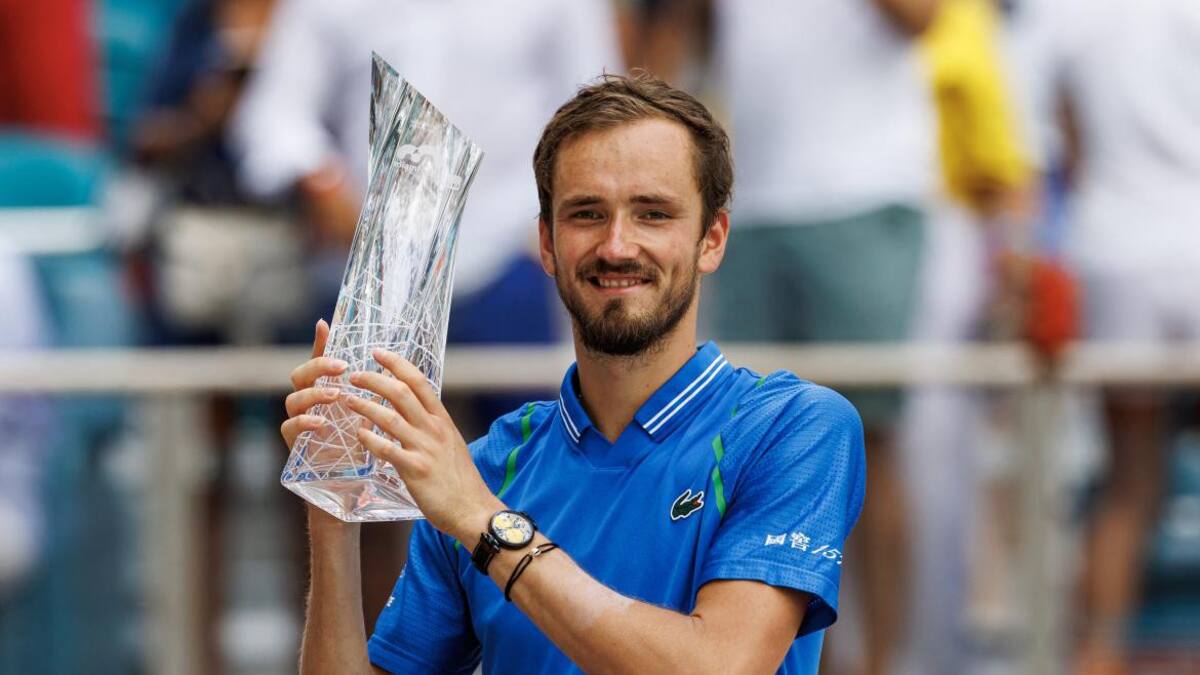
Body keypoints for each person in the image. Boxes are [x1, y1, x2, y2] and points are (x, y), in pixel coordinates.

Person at [280, 72, 866, 673]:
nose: (617, 245)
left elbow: (721, 664)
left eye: (653, 214)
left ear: (711, 239)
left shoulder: (795, 428)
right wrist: (333, 511)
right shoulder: (480, 470)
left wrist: (487, 525)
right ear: (548, 243)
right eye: (587, 214)